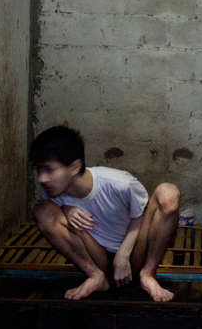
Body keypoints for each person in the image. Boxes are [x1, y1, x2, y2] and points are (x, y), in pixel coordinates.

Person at [29, 125, 180, 302]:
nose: (42, 178)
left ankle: (147, 275)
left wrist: (123, 254)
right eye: (39, 170)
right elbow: (53, 219)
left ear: (74, 167)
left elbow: (140, 215)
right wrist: (65, 209)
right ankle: (95, 276)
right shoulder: (49, 192)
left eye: (49, 170)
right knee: (42, 211)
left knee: (167, 193)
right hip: (97, 257)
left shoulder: (120, 183)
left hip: (134, 253)